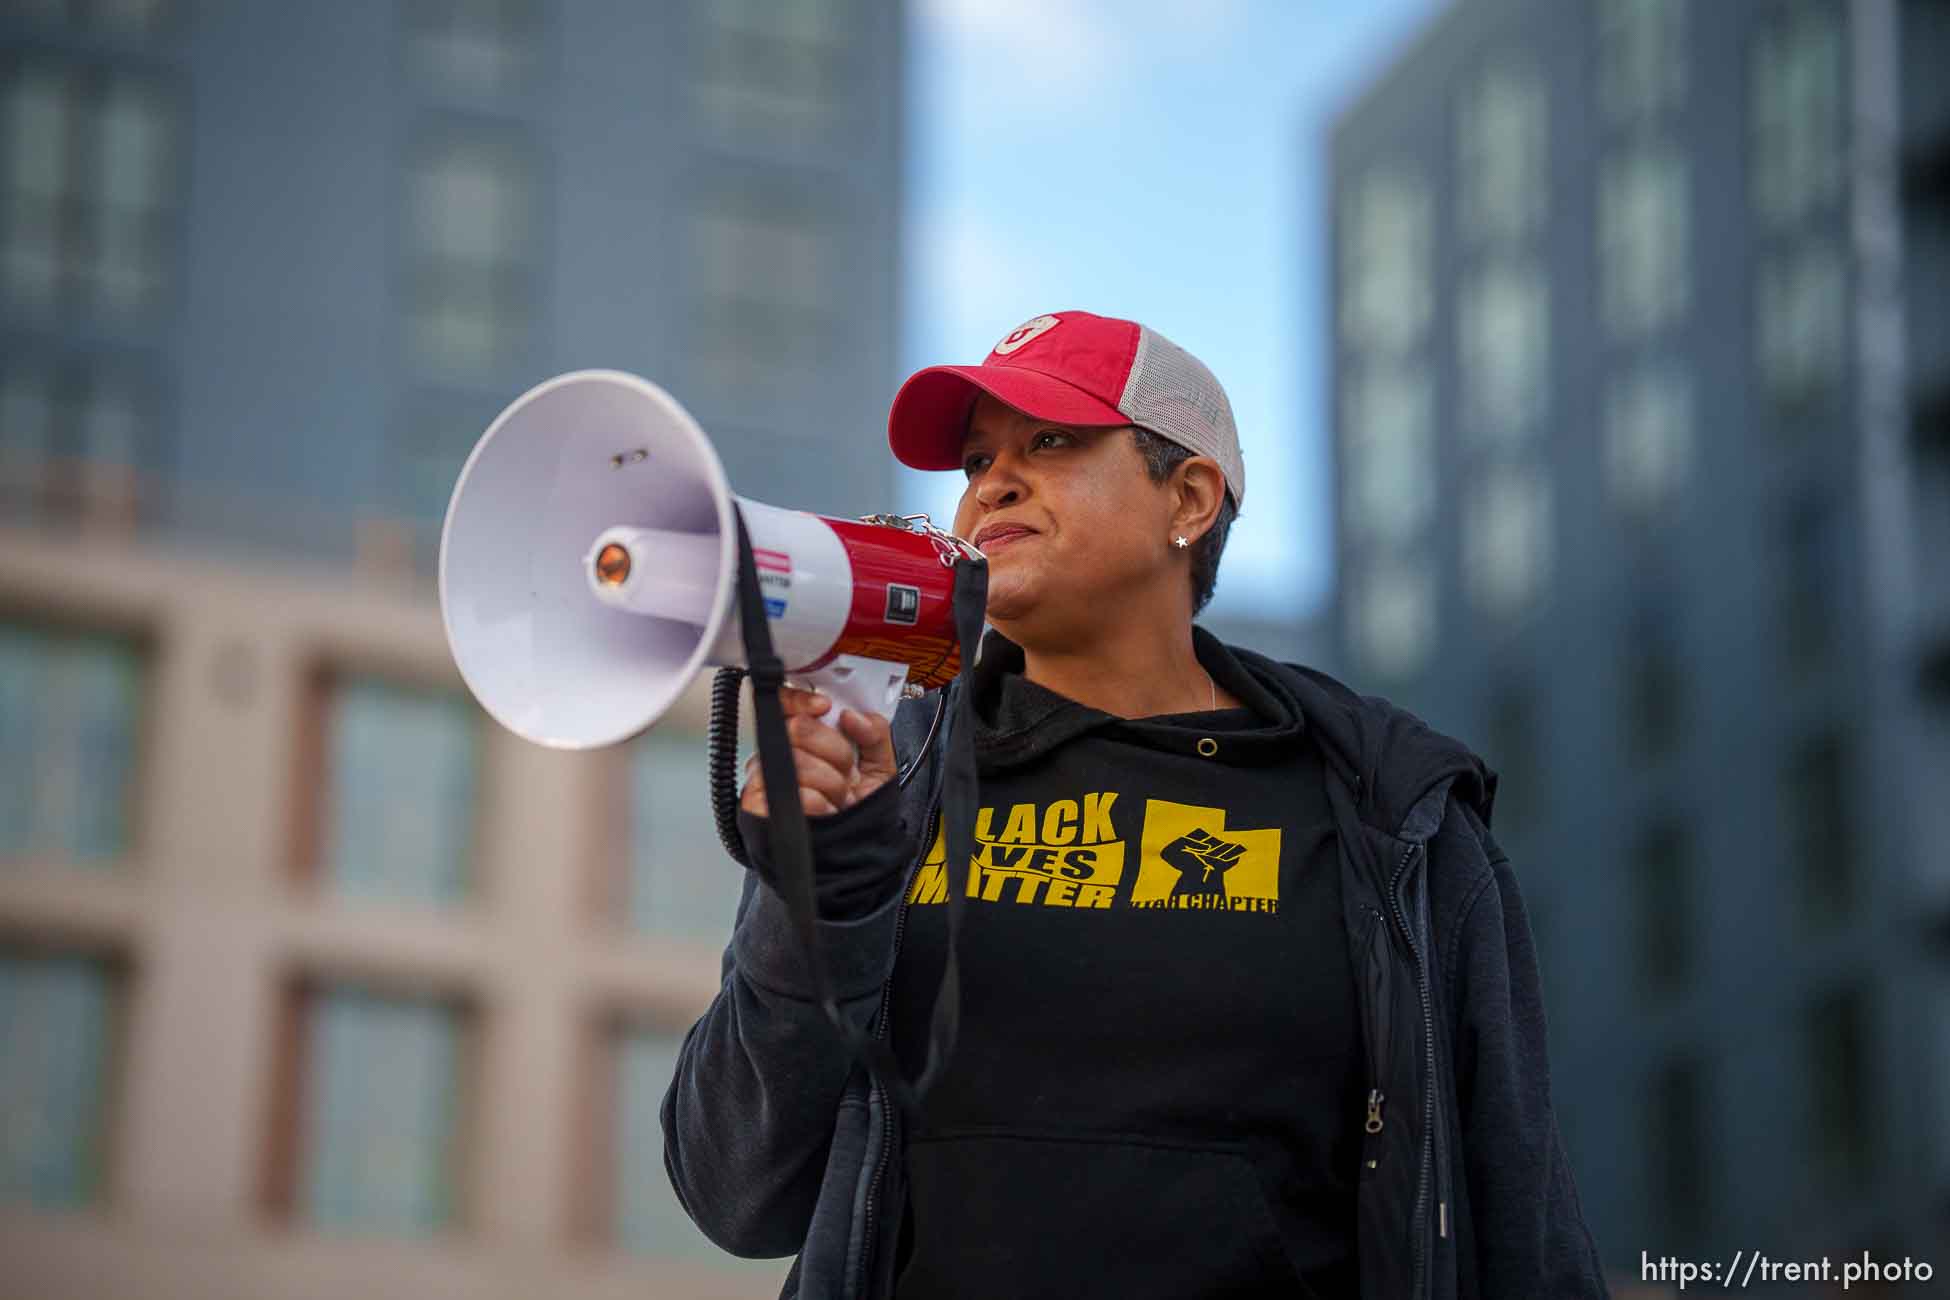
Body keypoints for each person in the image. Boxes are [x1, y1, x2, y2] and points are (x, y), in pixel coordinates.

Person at [662, 310, 1610, 1299]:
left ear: (1189, 497)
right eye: (977, 460)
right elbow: (738, 1191)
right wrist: (820, 899)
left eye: (1052, 441)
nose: (994, 483)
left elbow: (1520, 1213)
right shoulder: (888, 780)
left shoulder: (1394, 811)